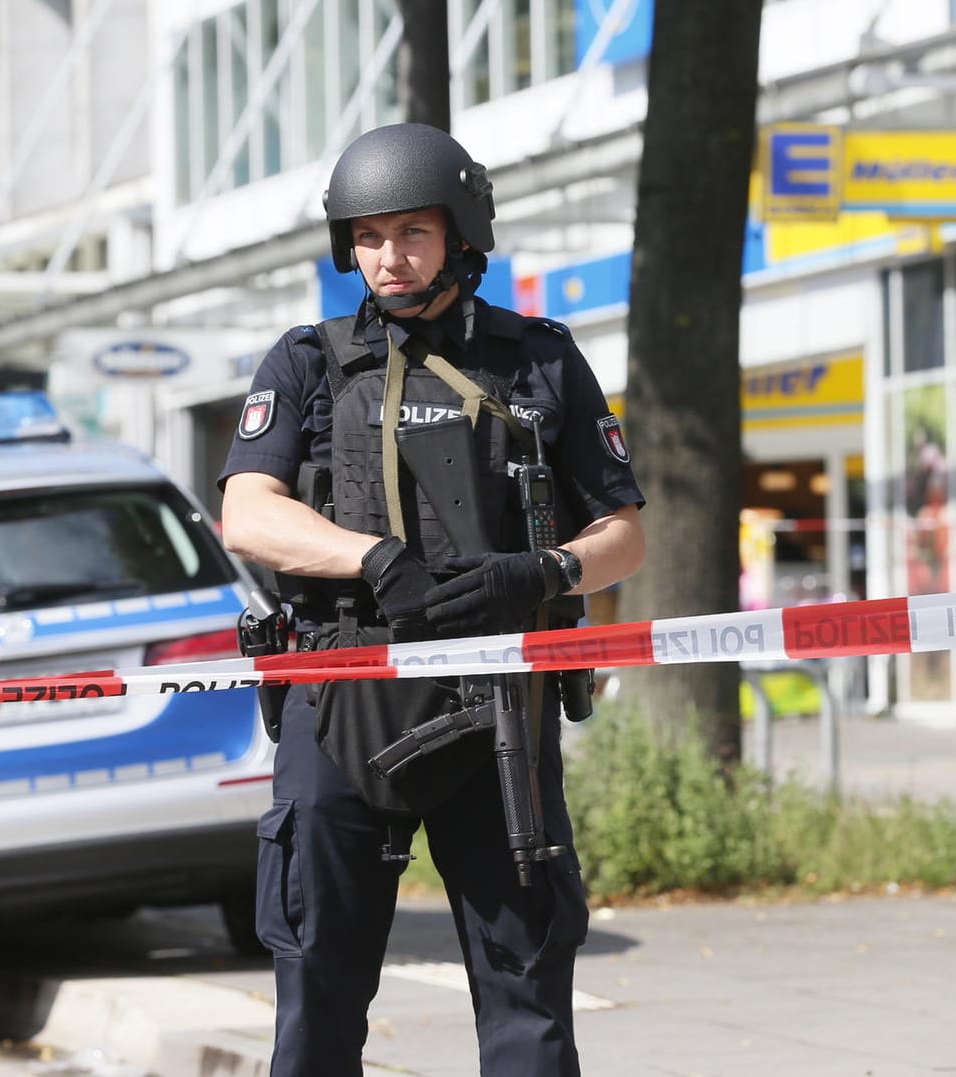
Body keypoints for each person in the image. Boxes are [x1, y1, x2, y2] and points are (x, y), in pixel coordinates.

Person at [219, 122, 646, 1077]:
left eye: (410, 232)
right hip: (343, 691)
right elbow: (247, 514)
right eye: (368, 237)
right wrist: (370, 559)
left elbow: (624, 531)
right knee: (317, 991)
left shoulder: (537, 359)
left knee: (527, 996)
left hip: (500, 697)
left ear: (460, 234)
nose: (387, 257)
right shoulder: (307, 361)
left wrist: (544, 572)